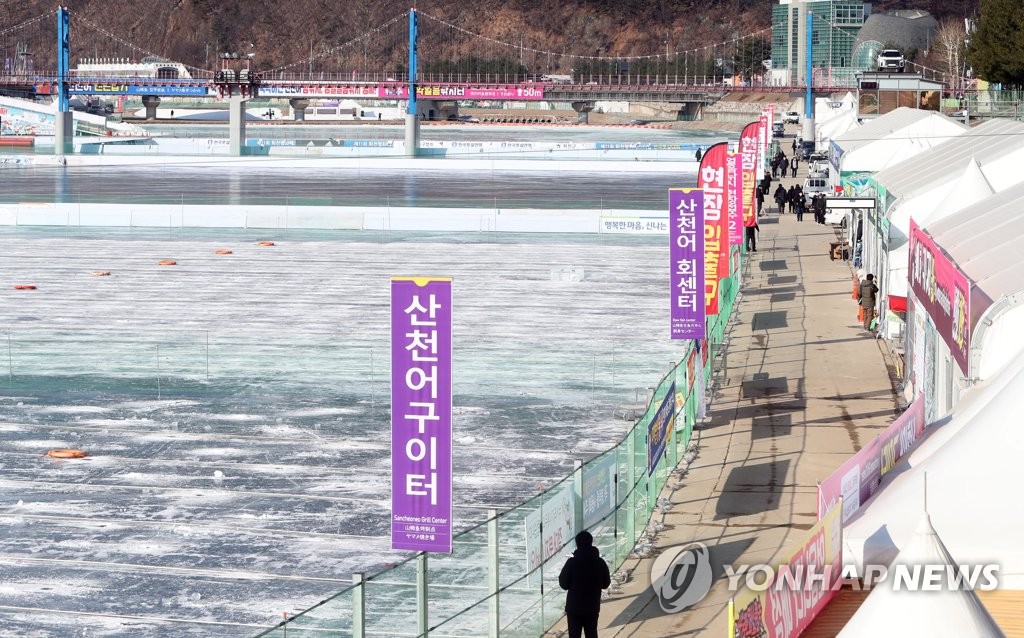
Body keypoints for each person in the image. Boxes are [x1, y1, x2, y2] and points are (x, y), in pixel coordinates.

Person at [559, 530, 611, 638]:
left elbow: (563, 584)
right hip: (592, 607)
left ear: (577, 544)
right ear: (591, 542)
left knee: (574, 635)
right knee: (592, 634)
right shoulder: (600, 562)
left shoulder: (571, 563)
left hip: (574, 608)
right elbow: (606, 584)